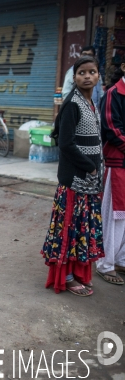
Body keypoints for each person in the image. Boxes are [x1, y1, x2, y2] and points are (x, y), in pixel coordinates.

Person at [42, 55, 105, 296]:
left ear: (99, 76)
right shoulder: (72, 105)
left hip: (89, 181)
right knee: (68, 228)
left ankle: (78, 272)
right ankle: (66, 277)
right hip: (75, 180)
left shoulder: (91, 104)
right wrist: (90, 167)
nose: (87, 76)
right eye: (81, 73)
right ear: (74, 77)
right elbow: (66, 144)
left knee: (83, 229)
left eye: (92, 72)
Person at [97, 61, 125, 285]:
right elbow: (112, 128)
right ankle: (106, 264)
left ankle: (121, 260)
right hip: (117, 163)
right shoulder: (113, 94)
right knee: (114, 217)